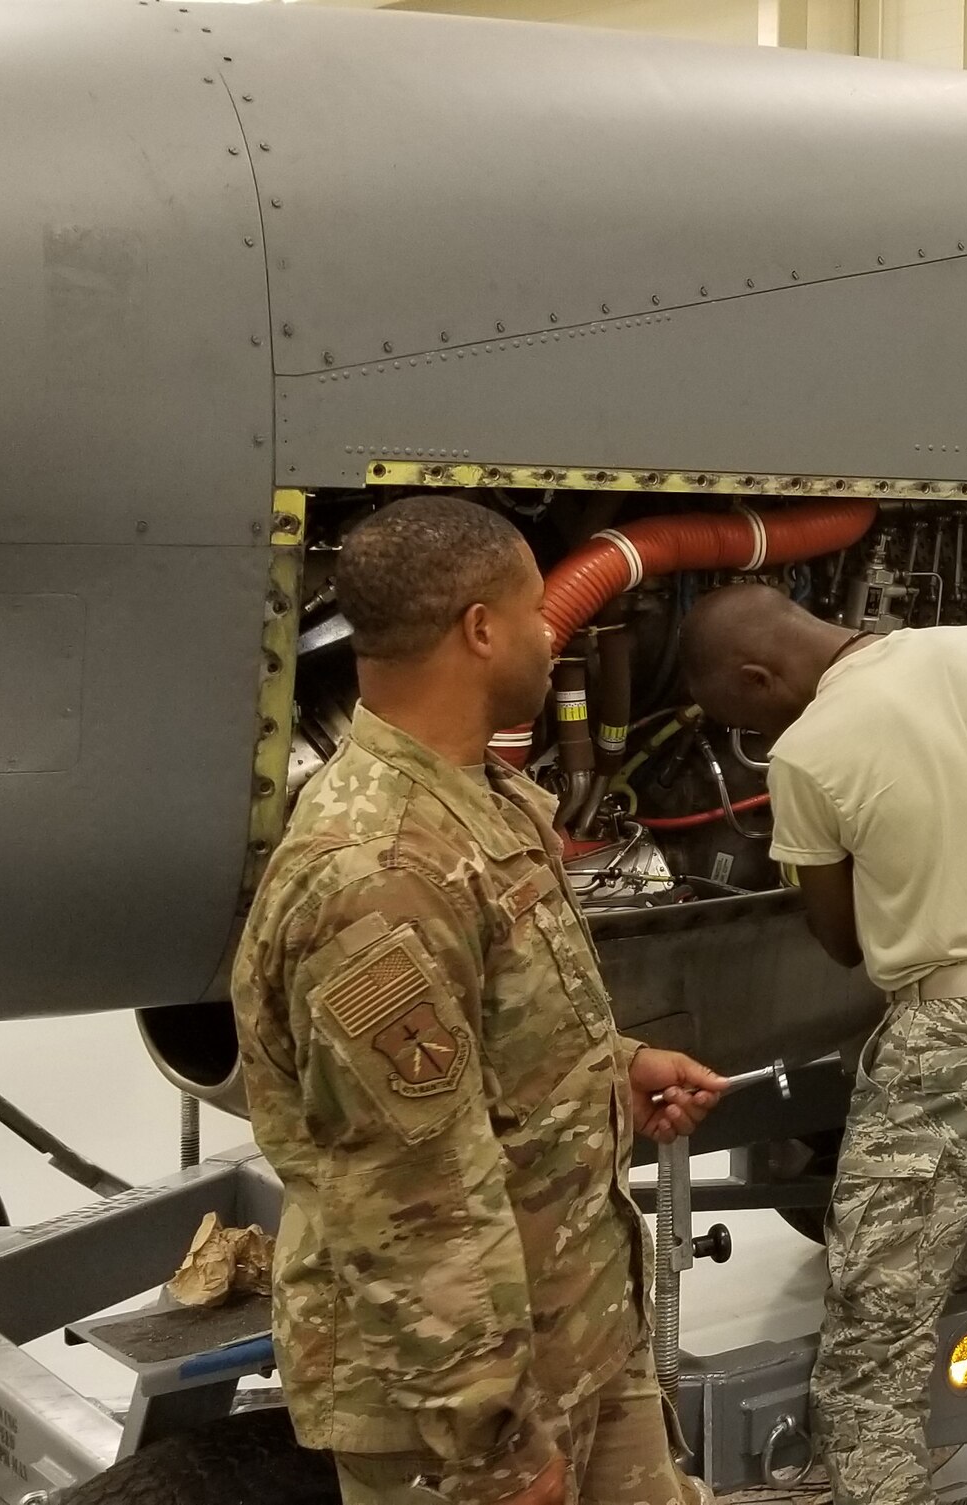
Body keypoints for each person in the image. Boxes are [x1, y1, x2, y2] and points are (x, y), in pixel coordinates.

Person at [233, 495, 729, 1505]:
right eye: (536, 613)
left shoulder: (475, 802)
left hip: (574, 1335)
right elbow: (409, 1193)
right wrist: (491, 1441)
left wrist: (612, 1063)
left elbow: (472, 1031)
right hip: (464, 1405)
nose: (555, 638)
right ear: (479, 627)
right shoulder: (379, 869)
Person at [681, 586, 967, 1505]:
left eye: (744, 717)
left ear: (759, 677)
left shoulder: (805, 754)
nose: (756, 734)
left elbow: (841, 939)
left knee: (872, 1342)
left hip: (955, 1038)